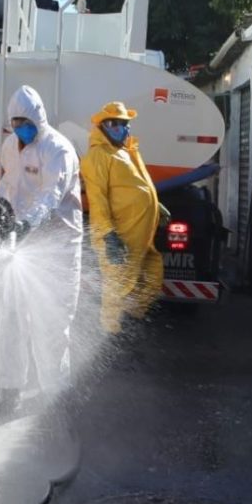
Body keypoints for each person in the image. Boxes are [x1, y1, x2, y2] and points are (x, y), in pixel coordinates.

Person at [0, 85, 83, 414]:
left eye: (25, 123)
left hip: (57, 247)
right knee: (10, 319)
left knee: (51, 325)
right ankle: (10, 391)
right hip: (21, 244)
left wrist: (27, 223)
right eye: (15, 123)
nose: (20, 129)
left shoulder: (59, 150)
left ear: (39, 119)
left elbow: (50, 196)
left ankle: (53, 400)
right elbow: (8, 182)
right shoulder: (10, 146)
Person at [80, 101, 170, 335]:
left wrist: (155, 204)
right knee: (117, 285)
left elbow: (135, 184)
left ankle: (131, 317)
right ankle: (110, 333)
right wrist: (108, 234)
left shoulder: (126, 151)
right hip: (120, 233)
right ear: (102, 127)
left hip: (141, 232)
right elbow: (97, 199)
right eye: (114, 124)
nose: (121, 128)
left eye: (124, 124)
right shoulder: (98, 155)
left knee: (152, 276)